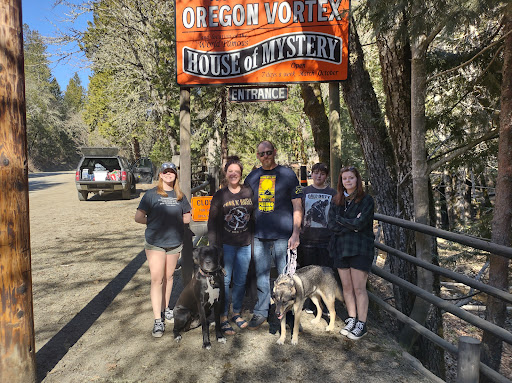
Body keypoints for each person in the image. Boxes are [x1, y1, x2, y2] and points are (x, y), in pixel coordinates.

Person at [244, 140, 303, 330]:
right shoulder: (252, 177)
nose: (265, 156)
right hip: (259, 234)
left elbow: (297, 205)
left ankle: (289, 314)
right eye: (261, 154)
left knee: (286, 277)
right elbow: (244, 204)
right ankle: (261, 311)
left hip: (283, 235)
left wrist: (296, 232)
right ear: (257, 156)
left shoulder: (287, 175)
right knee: (261, 275)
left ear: (275, 152)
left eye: (268, 152)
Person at [135, 162, 191, 338]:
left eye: (171, 172)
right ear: (160, 175)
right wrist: (156, 223)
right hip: (155, 243)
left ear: (175, 175)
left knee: (169, 276)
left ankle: (166, 308)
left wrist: (179, 221)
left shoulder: (180, 195)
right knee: (157, 279)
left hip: (174, 242)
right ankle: (157, 320)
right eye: (165, 172)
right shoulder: (151, 194)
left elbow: (187, 215)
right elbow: (139, 217)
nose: (168, 175)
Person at [207, 156, 254, 335]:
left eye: (236, 171)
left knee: (241, 281)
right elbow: (211, 222)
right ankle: (223, 316)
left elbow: (255, 216)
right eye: (230, 171)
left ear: (241, 173)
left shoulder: (248, 192)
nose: (233, 174)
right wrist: (214, 247)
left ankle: (236, 313)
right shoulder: (220, 195)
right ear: (226, 174)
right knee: (225, 282)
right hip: (225, 245)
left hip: (245, 244)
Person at [327, 166, 375, 340]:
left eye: (351, 178)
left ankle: (362, 324)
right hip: (340, 248)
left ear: (357, 180)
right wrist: (350, 223)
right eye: (344, 179)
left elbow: (360, 224)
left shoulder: (366, 200)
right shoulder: (336, 200)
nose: (348, 181)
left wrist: (342, 222)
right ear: (341, 181)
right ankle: (352, 318)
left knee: (359, 288)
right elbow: (331, 224)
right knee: (346, 287)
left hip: (360, 248)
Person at [298, 162, 336, 314]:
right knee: (309, 272)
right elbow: (299, 211)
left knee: (326, 274)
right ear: (311, 174)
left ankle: (327, 304)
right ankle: (311, 303)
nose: (319, 176)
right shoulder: (304, 191)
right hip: (307, 238)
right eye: (316, 173)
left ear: (326, 176)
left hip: (326, 239)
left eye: (322, 173)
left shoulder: (333, 193)